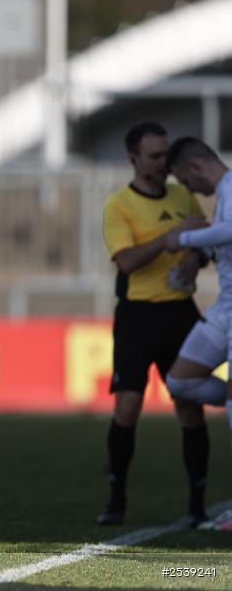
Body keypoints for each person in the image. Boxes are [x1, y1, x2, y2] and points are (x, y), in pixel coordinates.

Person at [99, 122, 210, 527]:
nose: (164, 163)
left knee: (189, 406)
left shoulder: (184, 195)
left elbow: (206, 243)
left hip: (180, 313)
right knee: (127, 407)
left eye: (166, 154)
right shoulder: (119, 206)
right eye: (155, 156)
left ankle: (197, 507)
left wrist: (194, 258)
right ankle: (116, 500)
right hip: (137, 316)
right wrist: (170, 240)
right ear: (133, 159)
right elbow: (126, 261)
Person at [164, 137, 232, 457]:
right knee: (181, 382)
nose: (188, 189)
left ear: (195, 166)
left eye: (185, 181)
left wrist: (183, 238)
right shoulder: (222, 197)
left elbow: (231, 230)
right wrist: (200, 251)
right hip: (225, 308)